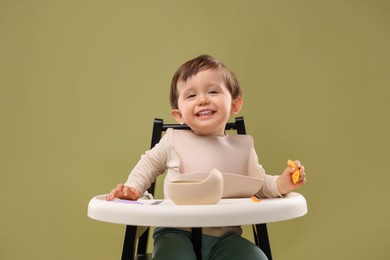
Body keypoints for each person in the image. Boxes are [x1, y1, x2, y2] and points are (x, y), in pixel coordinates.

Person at [106, 54, 307, 260]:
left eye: (212, 91)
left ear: (235, 105)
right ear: (179, 115)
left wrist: (283, 183)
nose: (202, 100)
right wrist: (133, 189)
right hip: (175, 232)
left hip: (224, 238)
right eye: (191, 96)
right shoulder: (172, 140)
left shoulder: (242, 148)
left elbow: (260, 184)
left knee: (257, 258)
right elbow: (148, 164)